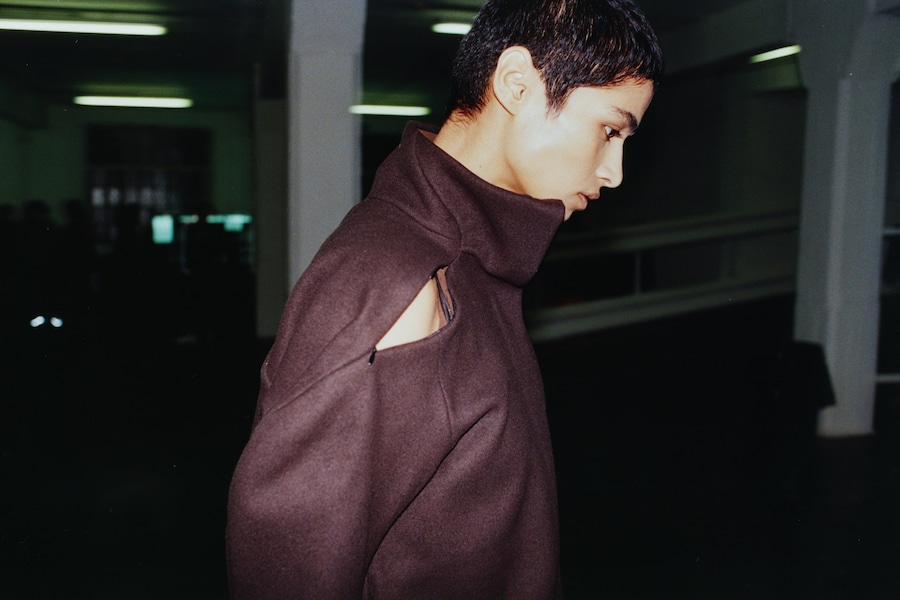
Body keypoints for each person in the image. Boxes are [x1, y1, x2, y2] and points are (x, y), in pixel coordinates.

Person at [226, 0, 663, 597]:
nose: (614, 172)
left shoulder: (471, 259)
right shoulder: (402, 277)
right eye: (610, 130)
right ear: (516, 83)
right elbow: (287, 565)